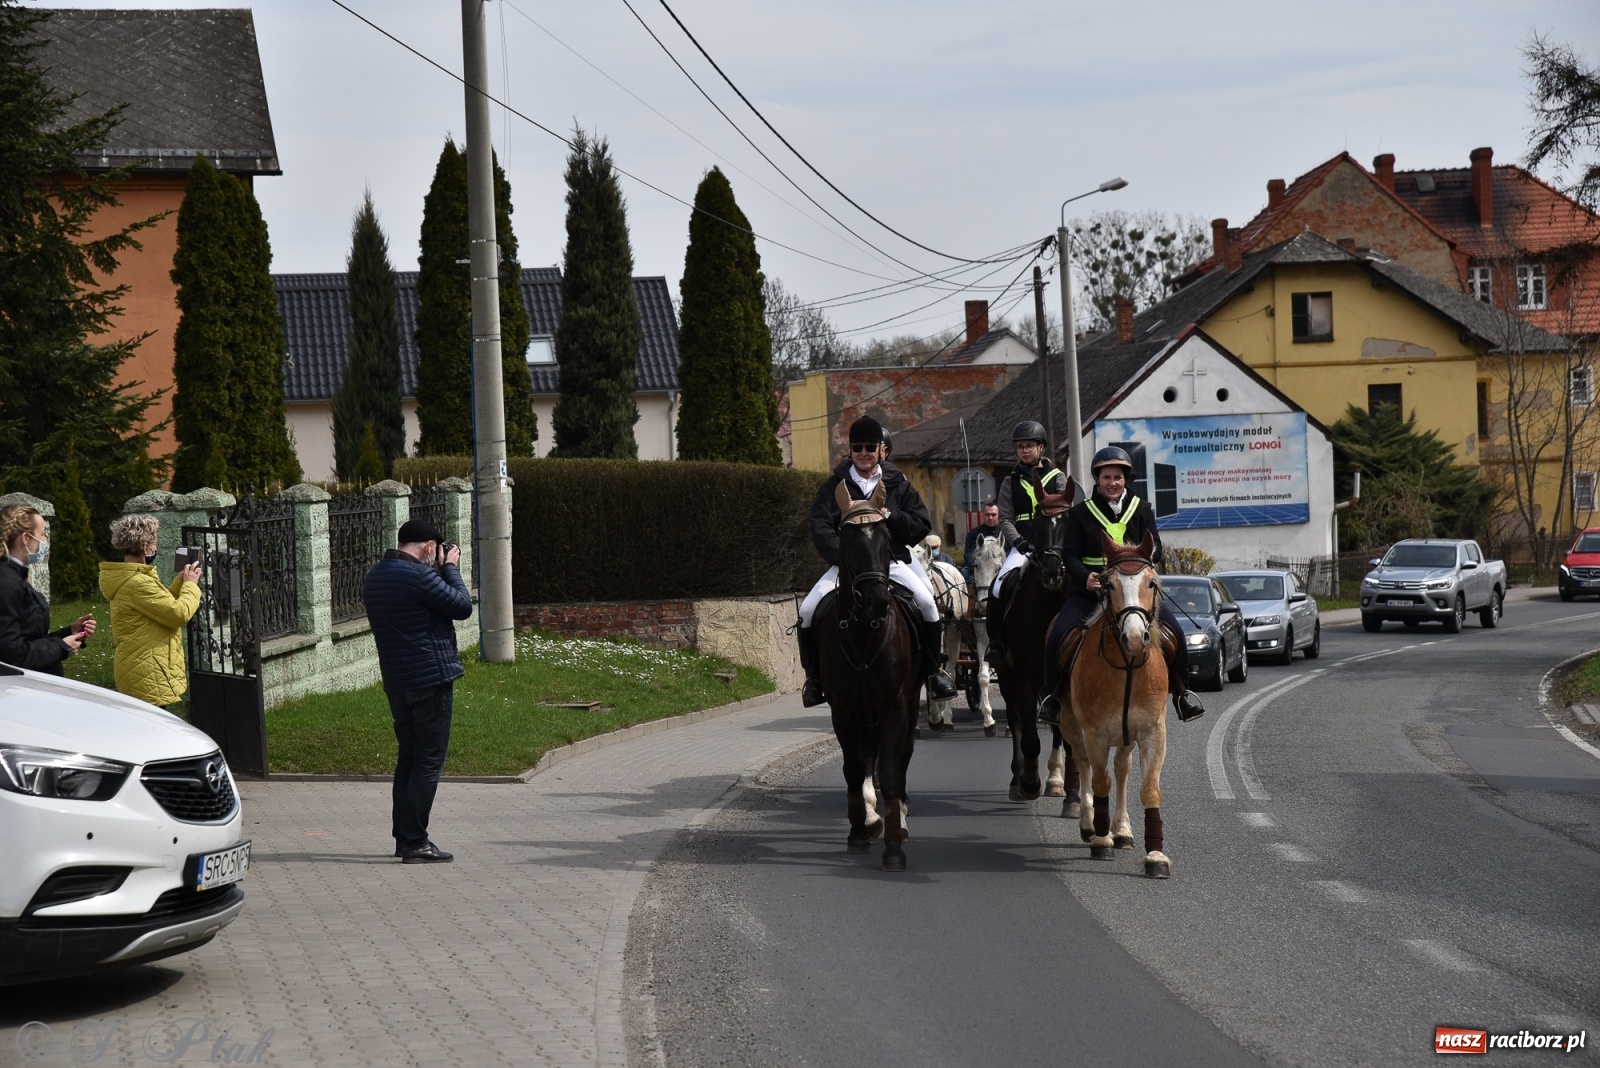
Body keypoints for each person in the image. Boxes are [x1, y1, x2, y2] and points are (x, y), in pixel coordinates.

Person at [795, 416, 958, 708]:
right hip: (849, 567)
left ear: (880, 449)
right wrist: (840, 557)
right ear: (850, 450)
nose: (864, 453)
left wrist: (891, 516)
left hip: (892, 561)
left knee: (928, 605)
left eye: (870, 447)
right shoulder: (836, 485)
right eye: (857, 447)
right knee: (807, 611)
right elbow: (820, 524)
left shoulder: (897, 483)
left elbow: (921, 523)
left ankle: (934, 674)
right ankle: (814, 680)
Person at [1038, 446, 1205, 725]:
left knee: (1175, 633)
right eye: (1106, 477)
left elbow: (1157, 547)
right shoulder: (1080, 513)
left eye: (1117, 477)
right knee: (1057, 636)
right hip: (1091, 592)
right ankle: (1052, 698)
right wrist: (1085, 577)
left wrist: (1144, 561)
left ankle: (1182, 695)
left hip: (1134, 595)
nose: (1112, 483)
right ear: (1097, 480)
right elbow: (1070, 554)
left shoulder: (1142, 509)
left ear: (1126, 479)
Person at [363, 518, 473, 863]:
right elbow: (462, 606)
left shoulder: (375, 577)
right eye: (435, 550)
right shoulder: (421, 577)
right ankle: (415, 842)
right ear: (429, 546)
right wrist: (450, 567)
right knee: (427, 761)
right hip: (430, 680)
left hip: (398, 682)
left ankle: (404, 837)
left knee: (408, 759)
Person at [983, 421, 1080, 665]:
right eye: (1020, 447)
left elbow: (1066, 510)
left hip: (1054, 545)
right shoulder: (1010, 481)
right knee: (997, 586)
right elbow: (1005, 518)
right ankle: (997, 642)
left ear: (1041, 447)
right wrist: (1018, 541)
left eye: (1029, 446)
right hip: (1024, 546)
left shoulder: (1057, 477)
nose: (1024, 450)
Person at [99, 515, 202, 708]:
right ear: (146, 547)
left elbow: (159, 608)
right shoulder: (138, 582)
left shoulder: (133, 578)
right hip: (147, 671)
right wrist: (191, 585)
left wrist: (180, 582)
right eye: (154, 542)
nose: (156, 547)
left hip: (142, 668)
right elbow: (178, 614)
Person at [0, 504, 93, 674]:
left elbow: (29, 638)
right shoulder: (7, 583)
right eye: (42, 534)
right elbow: (11, 655)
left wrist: (68, 633)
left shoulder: (14, 577)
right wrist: (61, 647)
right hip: (21, 685)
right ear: (25, 538)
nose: (45, 541)